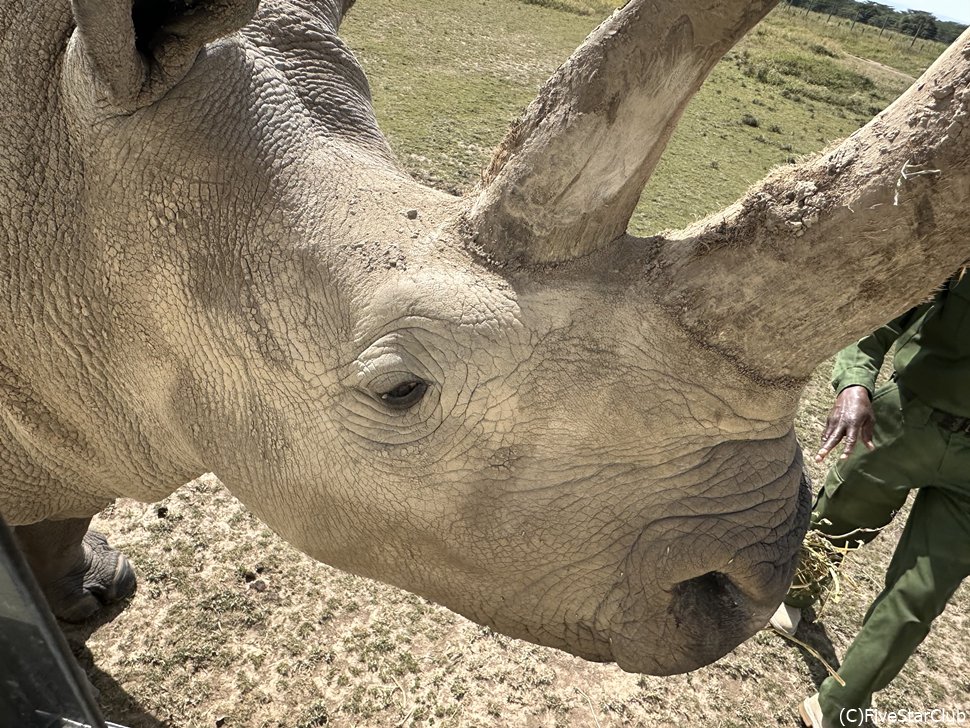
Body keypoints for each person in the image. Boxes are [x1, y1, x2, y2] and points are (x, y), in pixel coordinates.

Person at [768, 268, 970, 728]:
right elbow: (886, 313)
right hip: (905, 420)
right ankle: (796, 592)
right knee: (840, 518)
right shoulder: (961, 247)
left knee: (919, 596)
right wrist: (855, 382)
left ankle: (839, 704)